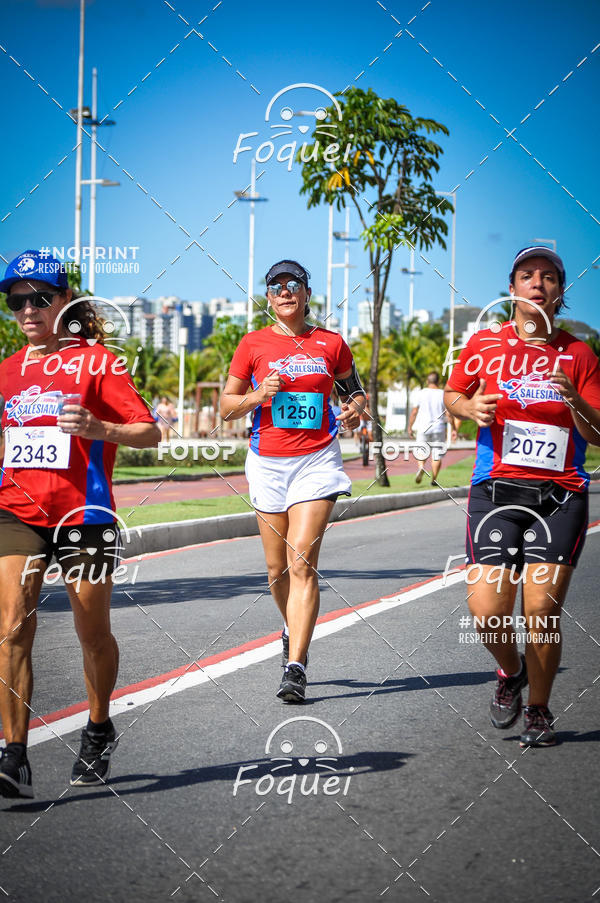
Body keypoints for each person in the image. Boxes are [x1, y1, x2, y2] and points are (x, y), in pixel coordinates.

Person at [0, 250, 160, 798]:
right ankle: (13, 754)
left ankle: (98, 727)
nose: (27, 310)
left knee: (92, 633)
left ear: (65, 301)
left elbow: (148, 432)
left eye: (39, 297)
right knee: (12, 626)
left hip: (84, 515)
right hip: (16, 512)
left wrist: (99, 427)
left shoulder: (97, 363)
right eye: (16, 300)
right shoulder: (7, 371)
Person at [445, 246, 600, 747]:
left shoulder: (578, 354)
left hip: (560, 496)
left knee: (542, 610)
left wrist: (574, 399)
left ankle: (538, 708)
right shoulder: (484, 344)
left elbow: (598, 436)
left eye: (550, 277)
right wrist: (470, 407)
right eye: (528, 275)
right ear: (512, 288)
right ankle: (510, 673)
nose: (538, 283)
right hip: (495, 491)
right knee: (488, 612)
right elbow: (453, 394)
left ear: (559, 292)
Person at [220, 259, 365, 703]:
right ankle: (291, 627)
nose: (285, 292)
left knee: (301, 562)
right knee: (276, 569)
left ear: (305, 294)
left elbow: (354, 390)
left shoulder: (330, 343)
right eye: (276, 286)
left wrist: (356, 408)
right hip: (267, 463)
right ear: (268, 297)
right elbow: (226, 407)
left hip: (317, 461)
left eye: (293, 285)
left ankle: (296, 665)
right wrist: (259, 395)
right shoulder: (252, 344)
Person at [408, 371, 455, 483]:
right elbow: (448, 414)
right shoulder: (443, 394)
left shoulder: (421, 393)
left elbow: (414, 411)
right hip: (439, 428)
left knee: (421, 451)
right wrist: (454, 429)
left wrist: (410, 427)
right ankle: (434, 479)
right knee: (437, 454)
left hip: (423, 427)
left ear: (427, 381)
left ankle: (421, 467)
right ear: (438, 381)